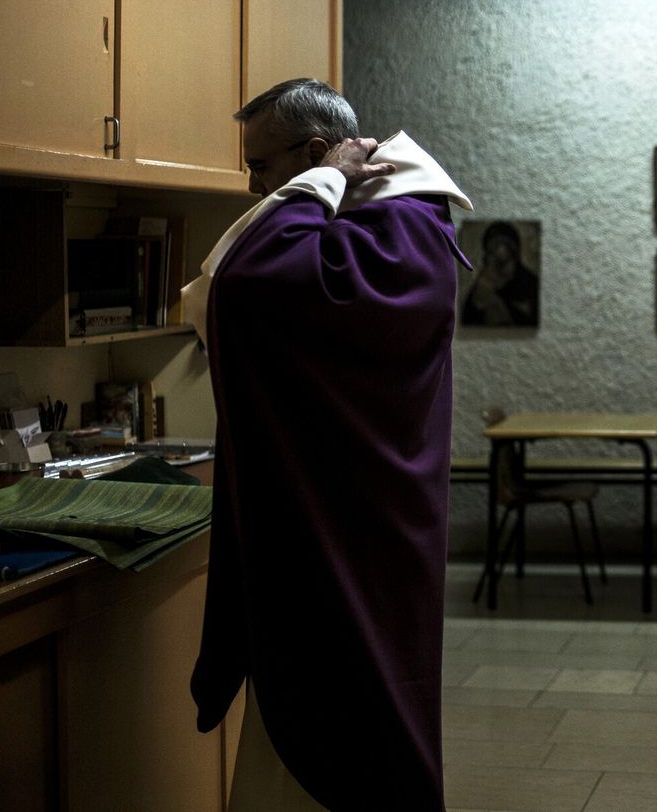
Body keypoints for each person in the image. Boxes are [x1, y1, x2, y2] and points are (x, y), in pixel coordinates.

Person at [181, 78, 472, 811]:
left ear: (315, 152)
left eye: (261, 166)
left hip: (346, 530)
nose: (254, 186)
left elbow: (246, 284)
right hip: (354, 517)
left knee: (340, 726)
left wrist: (317, 184)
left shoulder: (398, 228)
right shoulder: (385, 227)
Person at [461, 221, 538, 326]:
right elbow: (468, 319)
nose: (498, 254)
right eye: (492, 252)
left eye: (504, 261)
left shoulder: (531, 283)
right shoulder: (484, 281)